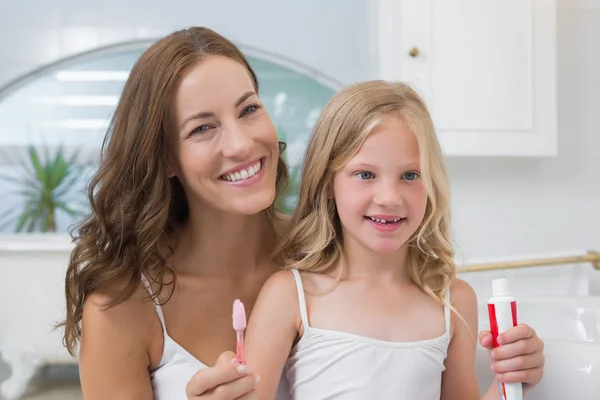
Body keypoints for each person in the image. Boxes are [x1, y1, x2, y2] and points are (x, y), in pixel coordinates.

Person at [60, 27, 545, 400]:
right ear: (163, 157)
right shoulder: (122, 308)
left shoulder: (334, 252)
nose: (242, 142)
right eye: (202, 127)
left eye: (248, 109)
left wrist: (517, 373)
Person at [244, 80, 543, 400]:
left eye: (410, 175)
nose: (389, 198)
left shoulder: (453, 301)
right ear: (328, 183)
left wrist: (511, 382)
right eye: (366, 175)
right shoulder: (291, 295)